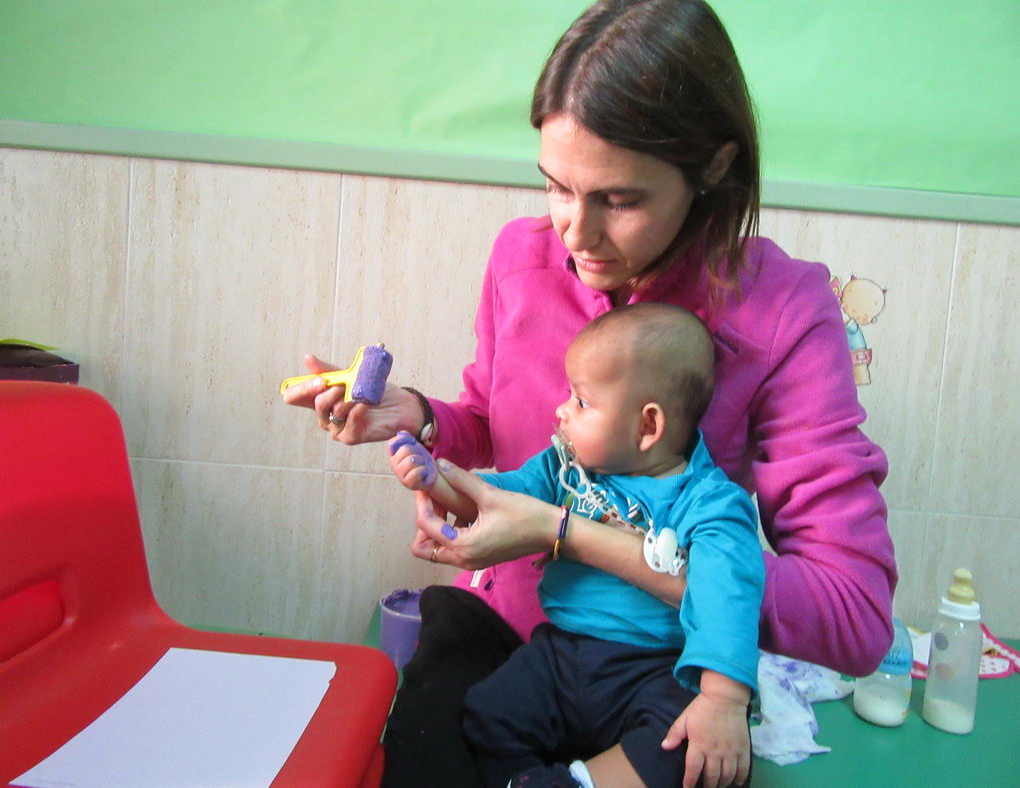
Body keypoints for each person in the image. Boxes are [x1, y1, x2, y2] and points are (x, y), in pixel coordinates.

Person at [283, 0, 895, 785]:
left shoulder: (783, 311)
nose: (574, 234)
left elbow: (852, 615)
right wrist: (425, 421)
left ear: (711, 165)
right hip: (506, 640)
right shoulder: (519, 259)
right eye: (557, 188)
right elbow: (498, 431)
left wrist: (564, 533)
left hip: (659, 666)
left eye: (619, 199)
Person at [388, 303, 764, 788]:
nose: (562, 410)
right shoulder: (564, 470)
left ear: (647, 427)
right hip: (560, 656)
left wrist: (723, 700)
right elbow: (497, 498)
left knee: (688, 749)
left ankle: (579, 782)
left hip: (654, 670)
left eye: (582, 402)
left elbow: (727, 598)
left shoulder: (710, 503)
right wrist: (435, 479)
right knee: (487, 712)